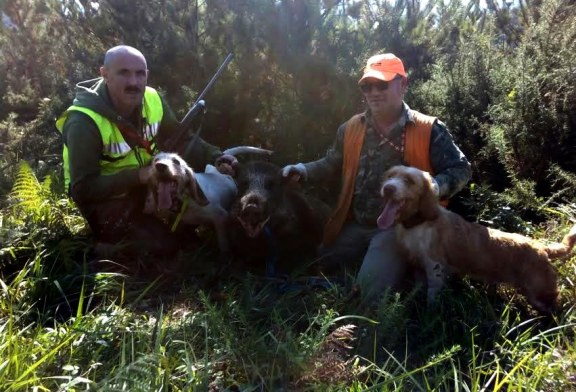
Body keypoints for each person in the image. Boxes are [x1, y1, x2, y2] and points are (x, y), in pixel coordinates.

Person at [281, 53, 472, 301]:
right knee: (316, 262)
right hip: (356, 223)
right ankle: (389, 269)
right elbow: (331, 163)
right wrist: (303, 170)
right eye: (367, 86)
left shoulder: (429, 129)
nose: (373, 92)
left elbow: (461, 169)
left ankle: (407, 277)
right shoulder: (351, 128)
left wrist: (433, 186)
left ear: (403, 85)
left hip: (401, 229)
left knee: (368, 294)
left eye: (382, 84)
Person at [56, 45, 236, 259]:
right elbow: (83, 189)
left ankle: (166, 219)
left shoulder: (152, 99)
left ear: (147, 75)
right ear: (104, 74)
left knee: (182, 230)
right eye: (123, 73)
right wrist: (139, 176)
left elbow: (183, 138)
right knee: (163, 247)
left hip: (145, 184)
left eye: (140, 74)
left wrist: (216, 156)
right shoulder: (83, 122)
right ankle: (100, 248)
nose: (133, 82)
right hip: (105, 198)